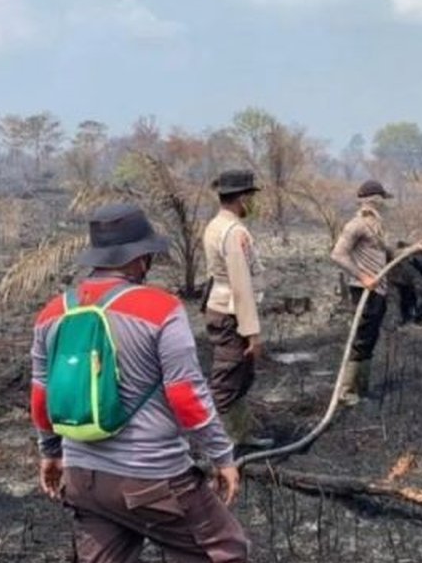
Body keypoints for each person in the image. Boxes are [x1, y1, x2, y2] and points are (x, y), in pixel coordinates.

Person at [30, 203, 249, 562]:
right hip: (152, 479)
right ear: (138, 258)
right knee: (225, 550)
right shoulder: (161, 309)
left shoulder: (52, 313)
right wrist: (223, 456)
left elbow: (42, 397)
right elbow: (186, 396)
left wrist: (50, 452)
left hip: (82, 478)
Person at [201, 170, 272, 451]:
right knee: (227, 378)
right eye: (251, 197)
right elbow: (241, 285)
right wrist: (252, 334)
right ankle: (218, 443)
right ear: (242, 198)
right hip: (231, 313)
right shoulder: (234, 232)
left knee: (241, 374)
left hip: (223, 308)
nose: (252, 203)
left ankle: (240, 434)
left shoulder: (215, 225)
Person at [329, 180, 397, 406]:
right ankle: (346, 391)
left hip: (378, 290)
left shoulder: (376, 226)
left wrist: (416, 248)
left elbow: (390, 253)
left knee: (370, 338)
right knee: (361, 339)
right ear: (374, 200)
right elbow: (338, 255)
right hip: (364, 291)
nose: (385, 204)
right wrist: (363, 277)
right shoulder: (356, 225)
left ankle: (362, 388)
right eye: (383, 199)